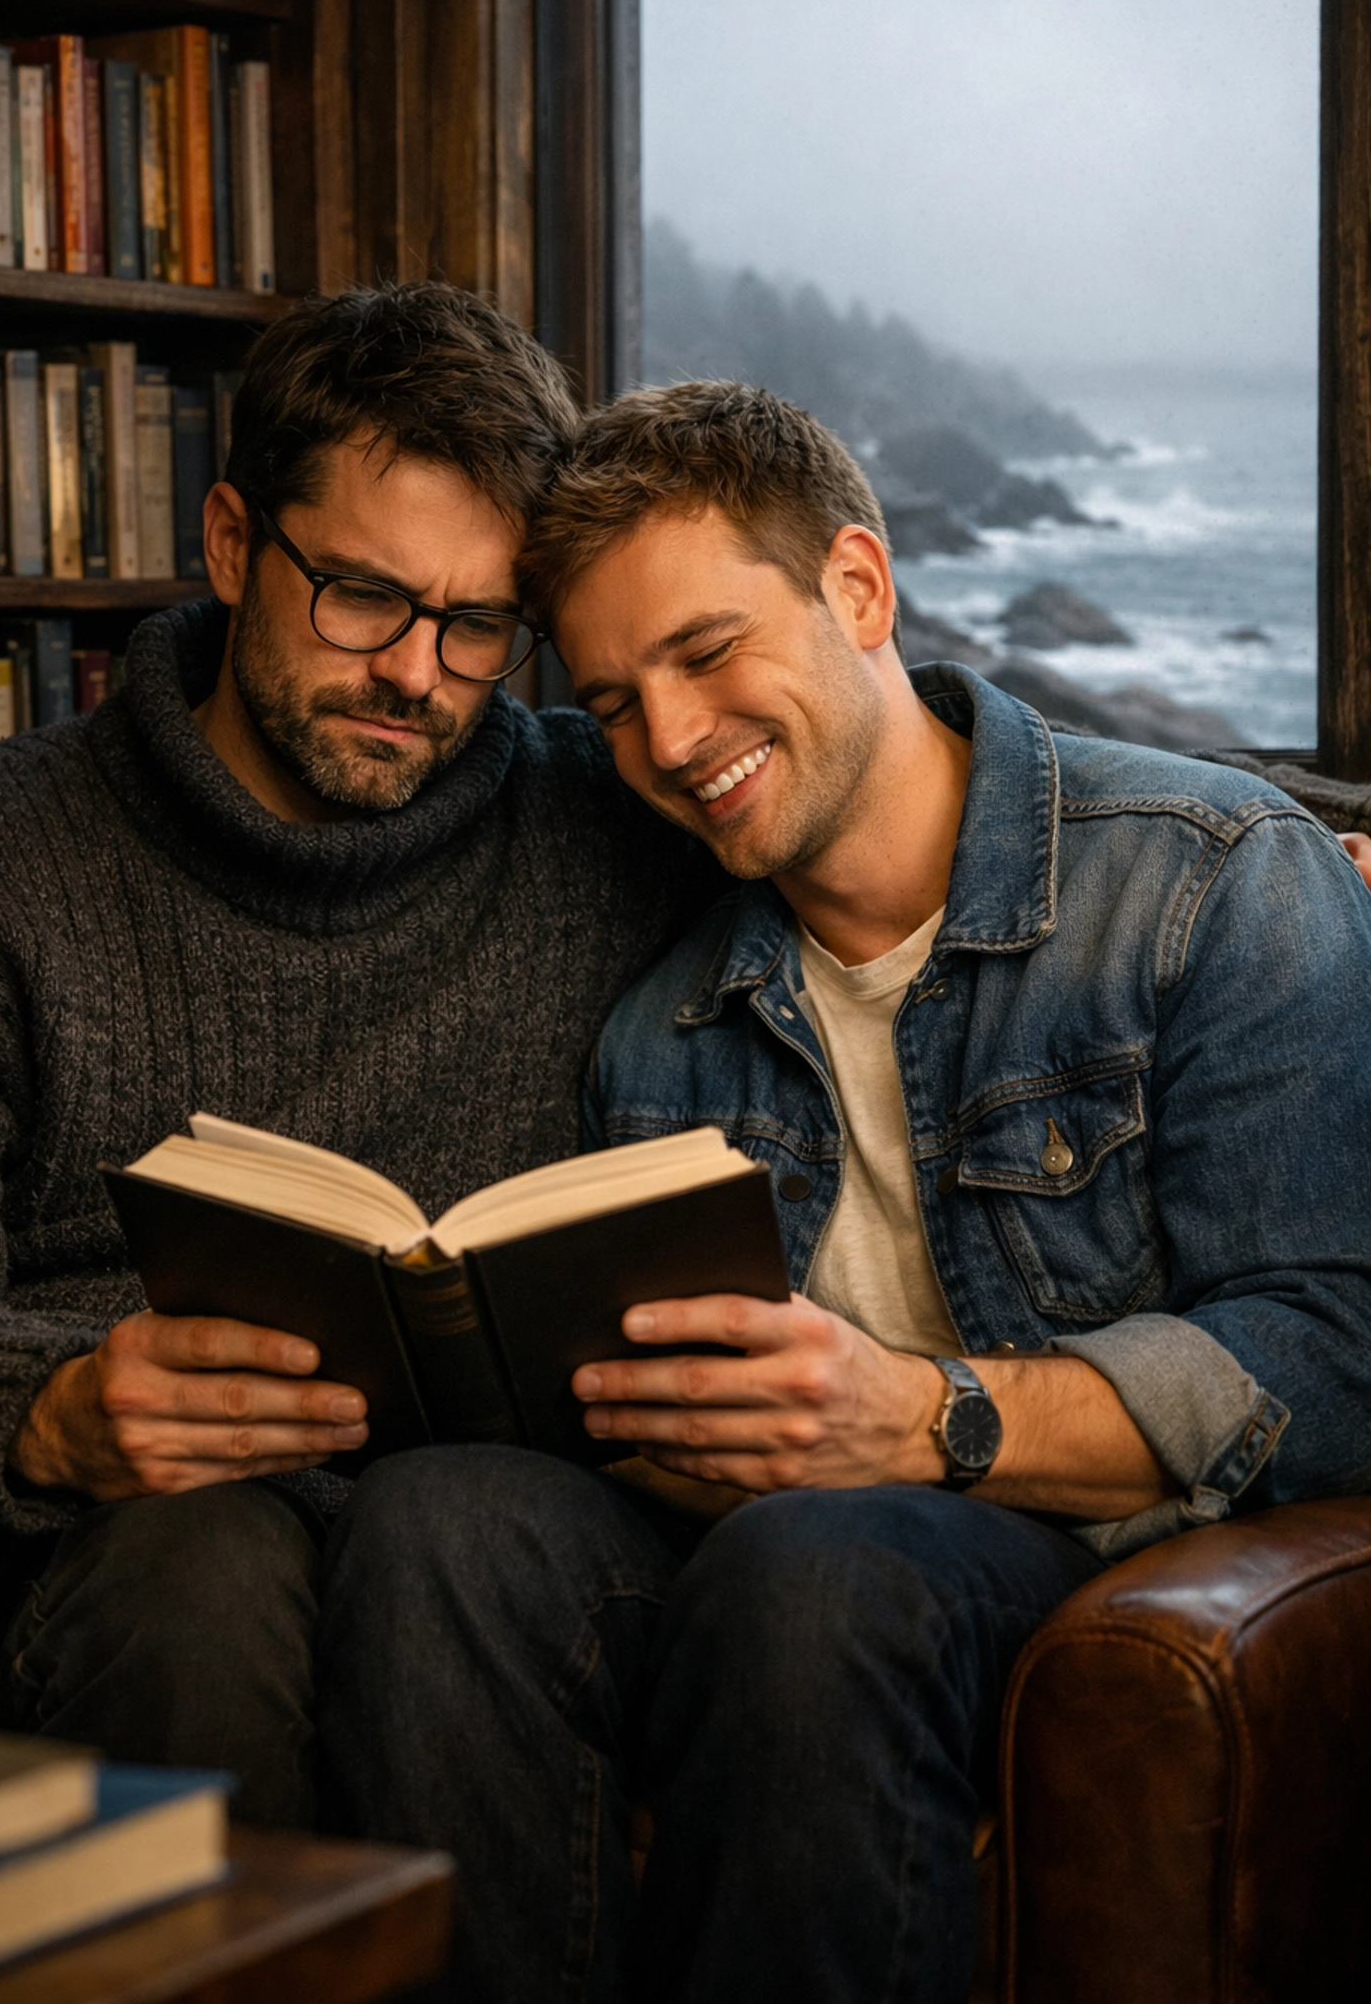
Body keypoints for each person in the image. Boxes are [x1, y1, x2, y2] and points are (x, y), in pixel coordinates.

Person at [321, 380, 1371, 2004]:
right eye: (608, 703)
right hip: (767, 1556)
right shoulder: (660, 1027)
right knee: (436, 1521)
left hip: (1073, 1549)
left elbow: (1338, 1352)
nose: (668, 744)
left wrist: (935, 1418)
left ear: (861, 590)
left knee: (820, 1567)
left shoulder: (1214, 882)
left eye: (705, 653)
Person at [0, 287, 714, 1823]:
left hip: (464, 1572)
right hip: (85, 1561)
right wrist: (46, 1408)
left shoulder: (612, 816)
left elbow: (873, 795)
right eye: (364, 595)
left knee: (451, 1543)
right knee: (206, 1550)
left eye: (480, 625)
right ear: (236, 544)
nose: (417, 675)